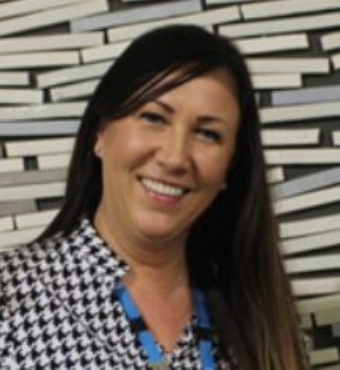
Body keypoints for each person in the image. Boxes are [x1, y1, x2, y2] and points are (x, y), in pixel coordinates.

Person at [0, 25, 308, 370]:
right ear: (101, 133)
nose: (175, 158)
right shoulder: (10, 296)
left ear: (230, 169)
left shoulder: (262, 321)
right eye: (154, 118)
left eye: (208, 134)